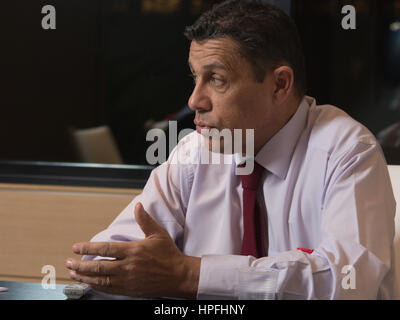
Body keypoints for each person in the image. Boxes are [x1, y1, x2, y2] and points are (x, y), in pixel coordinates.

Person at [65, 0, 397, 299]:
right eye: (195, 77)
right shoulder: (195, 151)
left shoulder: (348, 151)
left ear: (280, 84)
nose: (195, 100)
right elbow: (107, 258)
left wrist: (190, 274)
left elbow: (350, 283)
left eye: (217, 79)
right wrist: (122, 269)